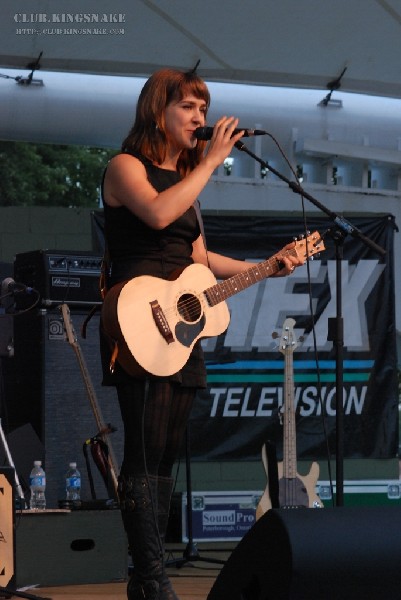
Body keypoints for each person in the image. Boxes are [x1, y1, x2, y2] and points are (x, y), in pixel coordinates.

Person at [99, 67, 302, 600]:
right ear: (157, 111)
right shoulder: (126, 167)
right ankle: (150, 577)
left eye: (203, 109)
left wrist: (265, 266)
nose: (200, 119)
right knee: (143, 451)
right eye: (188, 107)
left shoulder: (190, 183)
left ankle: (148, 573)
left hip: (178, 326)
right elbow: (158, 215)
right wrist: (211, 162)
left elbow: (198, 259)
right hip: (137, 316)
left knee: (165, 453)